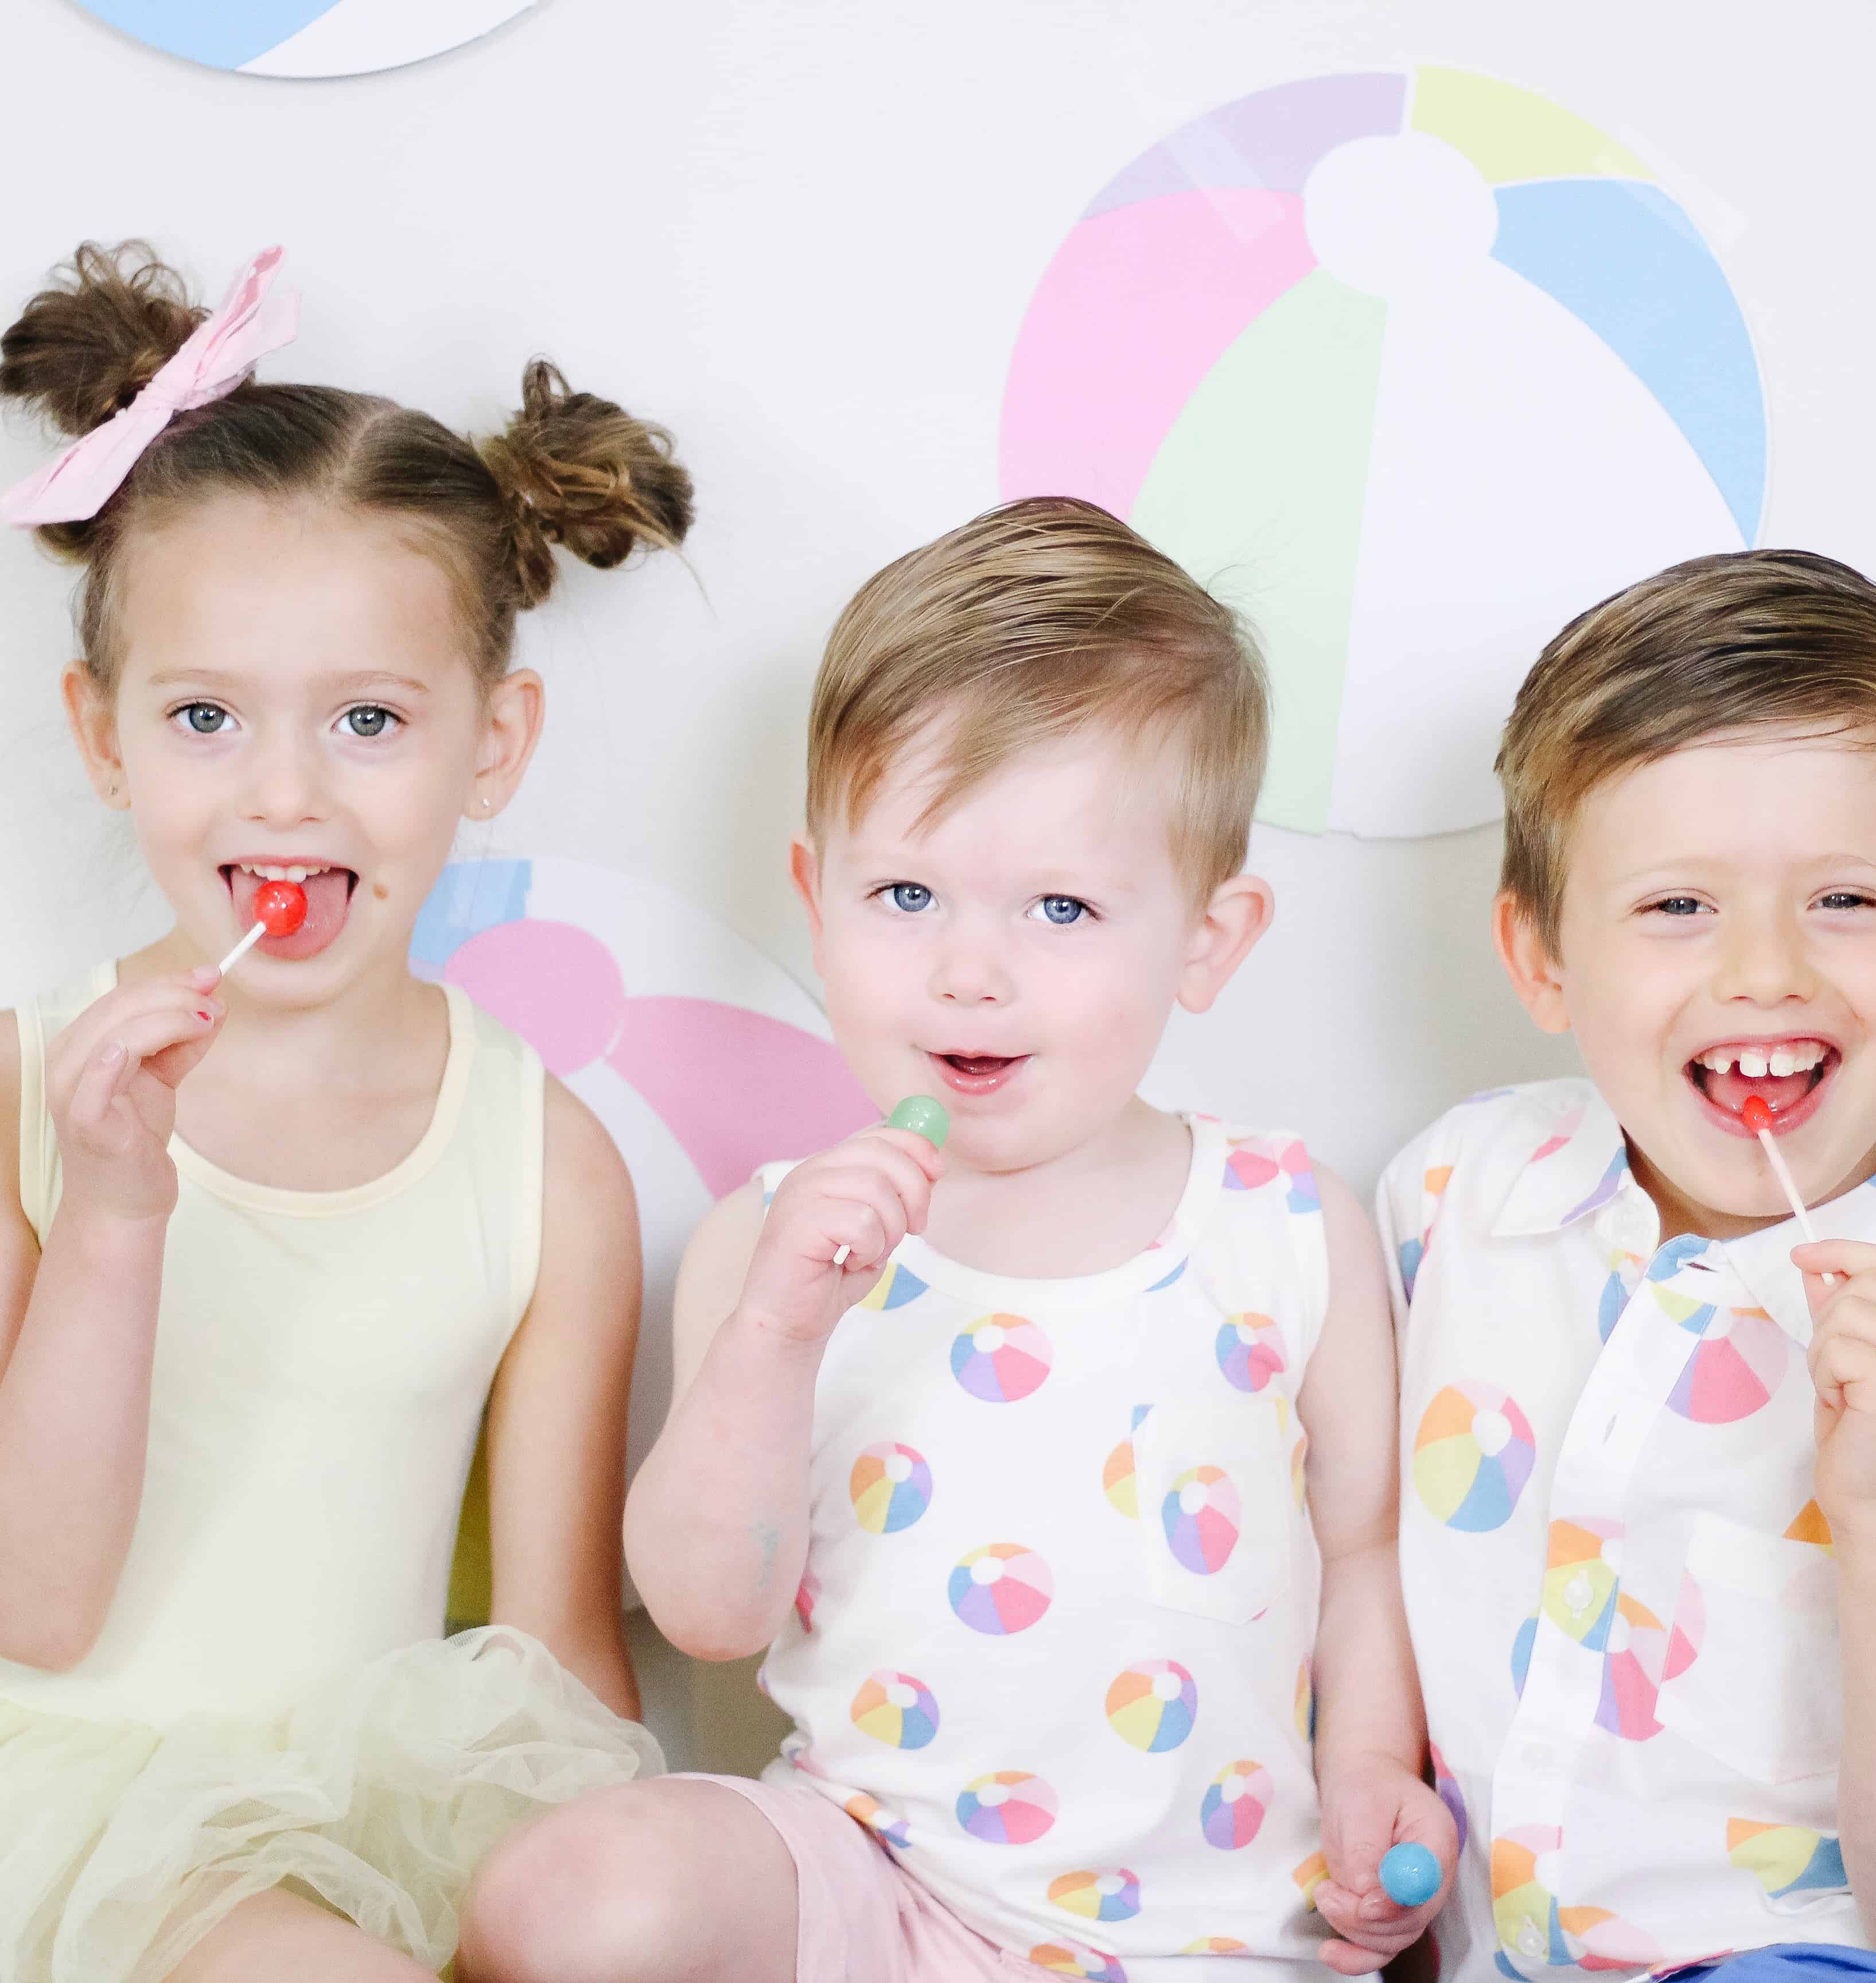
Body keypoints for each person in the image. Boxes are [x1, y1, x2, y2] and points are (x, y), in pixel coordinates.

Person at [460, 497, 1457, 1983]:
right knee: (577, 1894)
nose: (970, 973)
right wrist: (773, 1337)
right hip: (873, 1886)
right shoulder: (775, 1241)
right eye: (906, 894)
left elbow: (1368, 1554)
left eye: (1061, 906)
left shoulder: (1285, 1227)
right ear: (817, 899)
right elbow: (706, 1616)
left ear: (1208, 936)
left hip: (1216, 1937)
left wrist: (1378, 1773)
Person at [0, 242, 694, 1982]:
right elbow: (36, 1604)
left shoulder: (545, 1160)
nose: (286, 792)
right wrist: (111, 1210)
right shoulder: (21, 1086)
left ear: (493, 744)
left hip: (372, 1833)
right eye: (207, 716)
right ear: (103, 738)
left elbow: (553, 1665)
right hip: (65, 1823)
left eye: (370, 720)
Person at [1379, 551, 1876, 1982]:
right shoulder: (1455, 1200)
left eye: (1845, 900)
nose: (1765, 970)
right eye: (1675, 908)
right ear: (1539, 960)